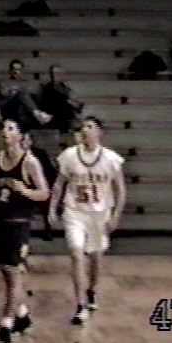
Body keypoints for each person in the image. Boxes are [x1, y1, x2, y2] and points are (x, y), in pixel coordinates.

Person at [0, 119, 50, 343]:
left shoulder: (30, 162)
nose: (4, 132)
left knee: (13, 272)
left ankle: (5, 325)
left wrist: (24, 191)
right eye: (3, 128)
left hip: (18, 223)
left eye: (10, 128)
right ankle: (22, 314)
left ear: (20, 135)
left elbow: (44, 193)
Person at [48, 117, 126, 324]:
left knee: (96, 257)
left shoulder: (111, 159)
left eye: (90, 126)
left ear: (99, 132)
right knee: (76, 255)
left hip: (100, 213)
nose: (85, 130)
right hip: (75, 212)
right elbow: (59, 185)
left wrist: (116, 215)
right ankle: (80, 305)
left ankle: (91, 290)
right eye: (84, 126)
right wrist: (52, 210)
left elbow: (120, 190)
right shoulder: (69, 156)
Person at [0, 59, 52, 130]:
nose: (17, 72)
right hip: (11, 107)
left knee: (23, 98)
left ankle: (34, 115)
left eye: (19, 69)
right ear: (11, 71)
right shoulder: (4, 82)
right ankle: (37, 113)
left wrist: (15, 90)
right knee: (21, 95)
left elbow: (36, 91)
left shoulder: (30, 82)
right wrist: (16, 92)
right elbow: (4, 93)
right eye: (15, 70)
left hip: (24, 110)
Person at [23, 133, 57, 240]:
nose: (23, 142)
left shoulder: (40, 154)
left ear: (31, 141)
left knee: (46, 198)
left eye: (26, 140)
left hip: (39, 185)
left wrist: (48, 187)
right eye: (22, 140)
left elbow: (49, 171)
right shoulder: (16, 154)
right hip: (24, 186)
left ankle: (48, 229)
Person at [38, 65, 83, 146]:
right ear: (51, 75)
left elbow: (75, 102)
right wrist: (66, 101)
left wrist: (74, 104)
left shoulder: (66, 88)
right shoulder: (47, 89)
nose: (57, 75)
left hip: (66, 115)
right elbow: (46, 106)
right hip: (54, 115)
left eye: (59, 73)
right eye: (54, 73)